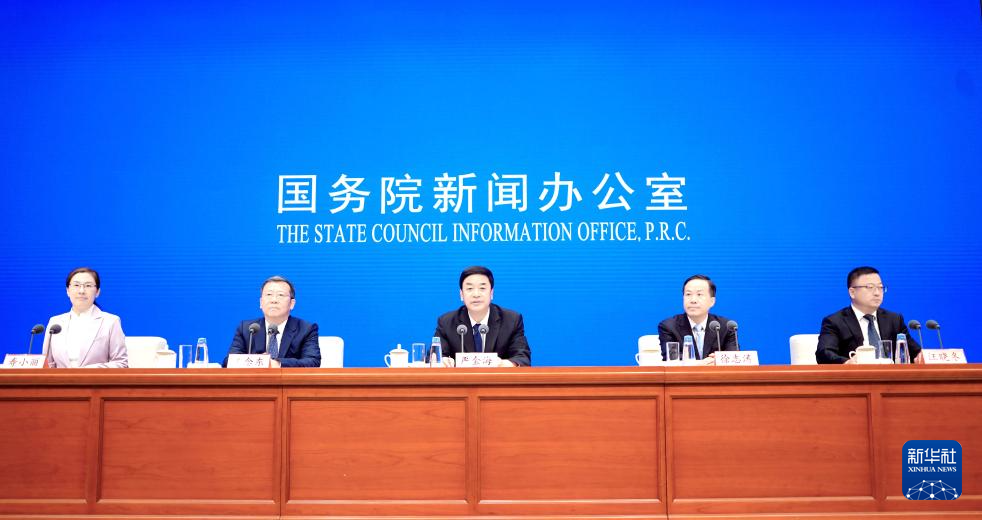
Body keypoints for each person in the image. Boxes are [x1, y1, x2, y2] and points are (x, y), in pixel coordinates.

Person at [816, 266, 923, 364]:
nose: (877, 293)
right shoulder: (835, 322)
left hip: (891, 377)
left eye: (880, 287)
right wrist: (847, 363)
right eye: (870, 287)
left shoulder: (894, 320)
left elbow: (916, 353)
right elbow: (824, 354)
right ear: (852, 292)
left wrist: (921, 357)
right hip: (856, 377)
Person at [434, 266, 531, 367]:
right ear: (461, 294)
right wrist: (442, 361)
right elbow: (435, 356)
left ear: (491, 293)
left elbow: (522, 357)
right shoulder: (447, 322)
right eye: (470, 288)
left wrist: (504, 364)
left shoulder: (511, 320)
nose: (476, 294)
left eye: (482, 288)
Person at [222, 275, 320, 368]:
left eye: (280, 295)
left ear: (292, 303)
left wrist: (277, 363)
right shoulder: (248, 329)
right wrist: (259, 362)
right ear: (261, 302)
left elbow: (313, 362)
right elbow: (228, 362)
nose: (274, 300)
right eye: (269, 294)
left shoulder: (306, 329)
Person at [43, 267, 128, 368]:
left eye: (88, 285)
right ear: (67, 291)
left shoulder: (110, 322)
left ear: (97, 292)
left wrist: (88, 371)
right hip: (60, 379)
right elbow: (47, 364)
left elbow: (121, 363)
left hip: (95, 378)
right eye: (76, 285)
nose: (81, 291)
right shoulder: (55, 322)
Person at [658, 274, 737, 363]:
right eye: (688, 294)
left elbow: (734, 357)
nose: (693, 300)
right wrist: (703, 363)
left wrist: (720, 359)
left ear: (712, 301)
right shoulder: (669, 326)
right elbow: (672, 358)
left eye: (699, 294)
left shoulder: (725, 327)